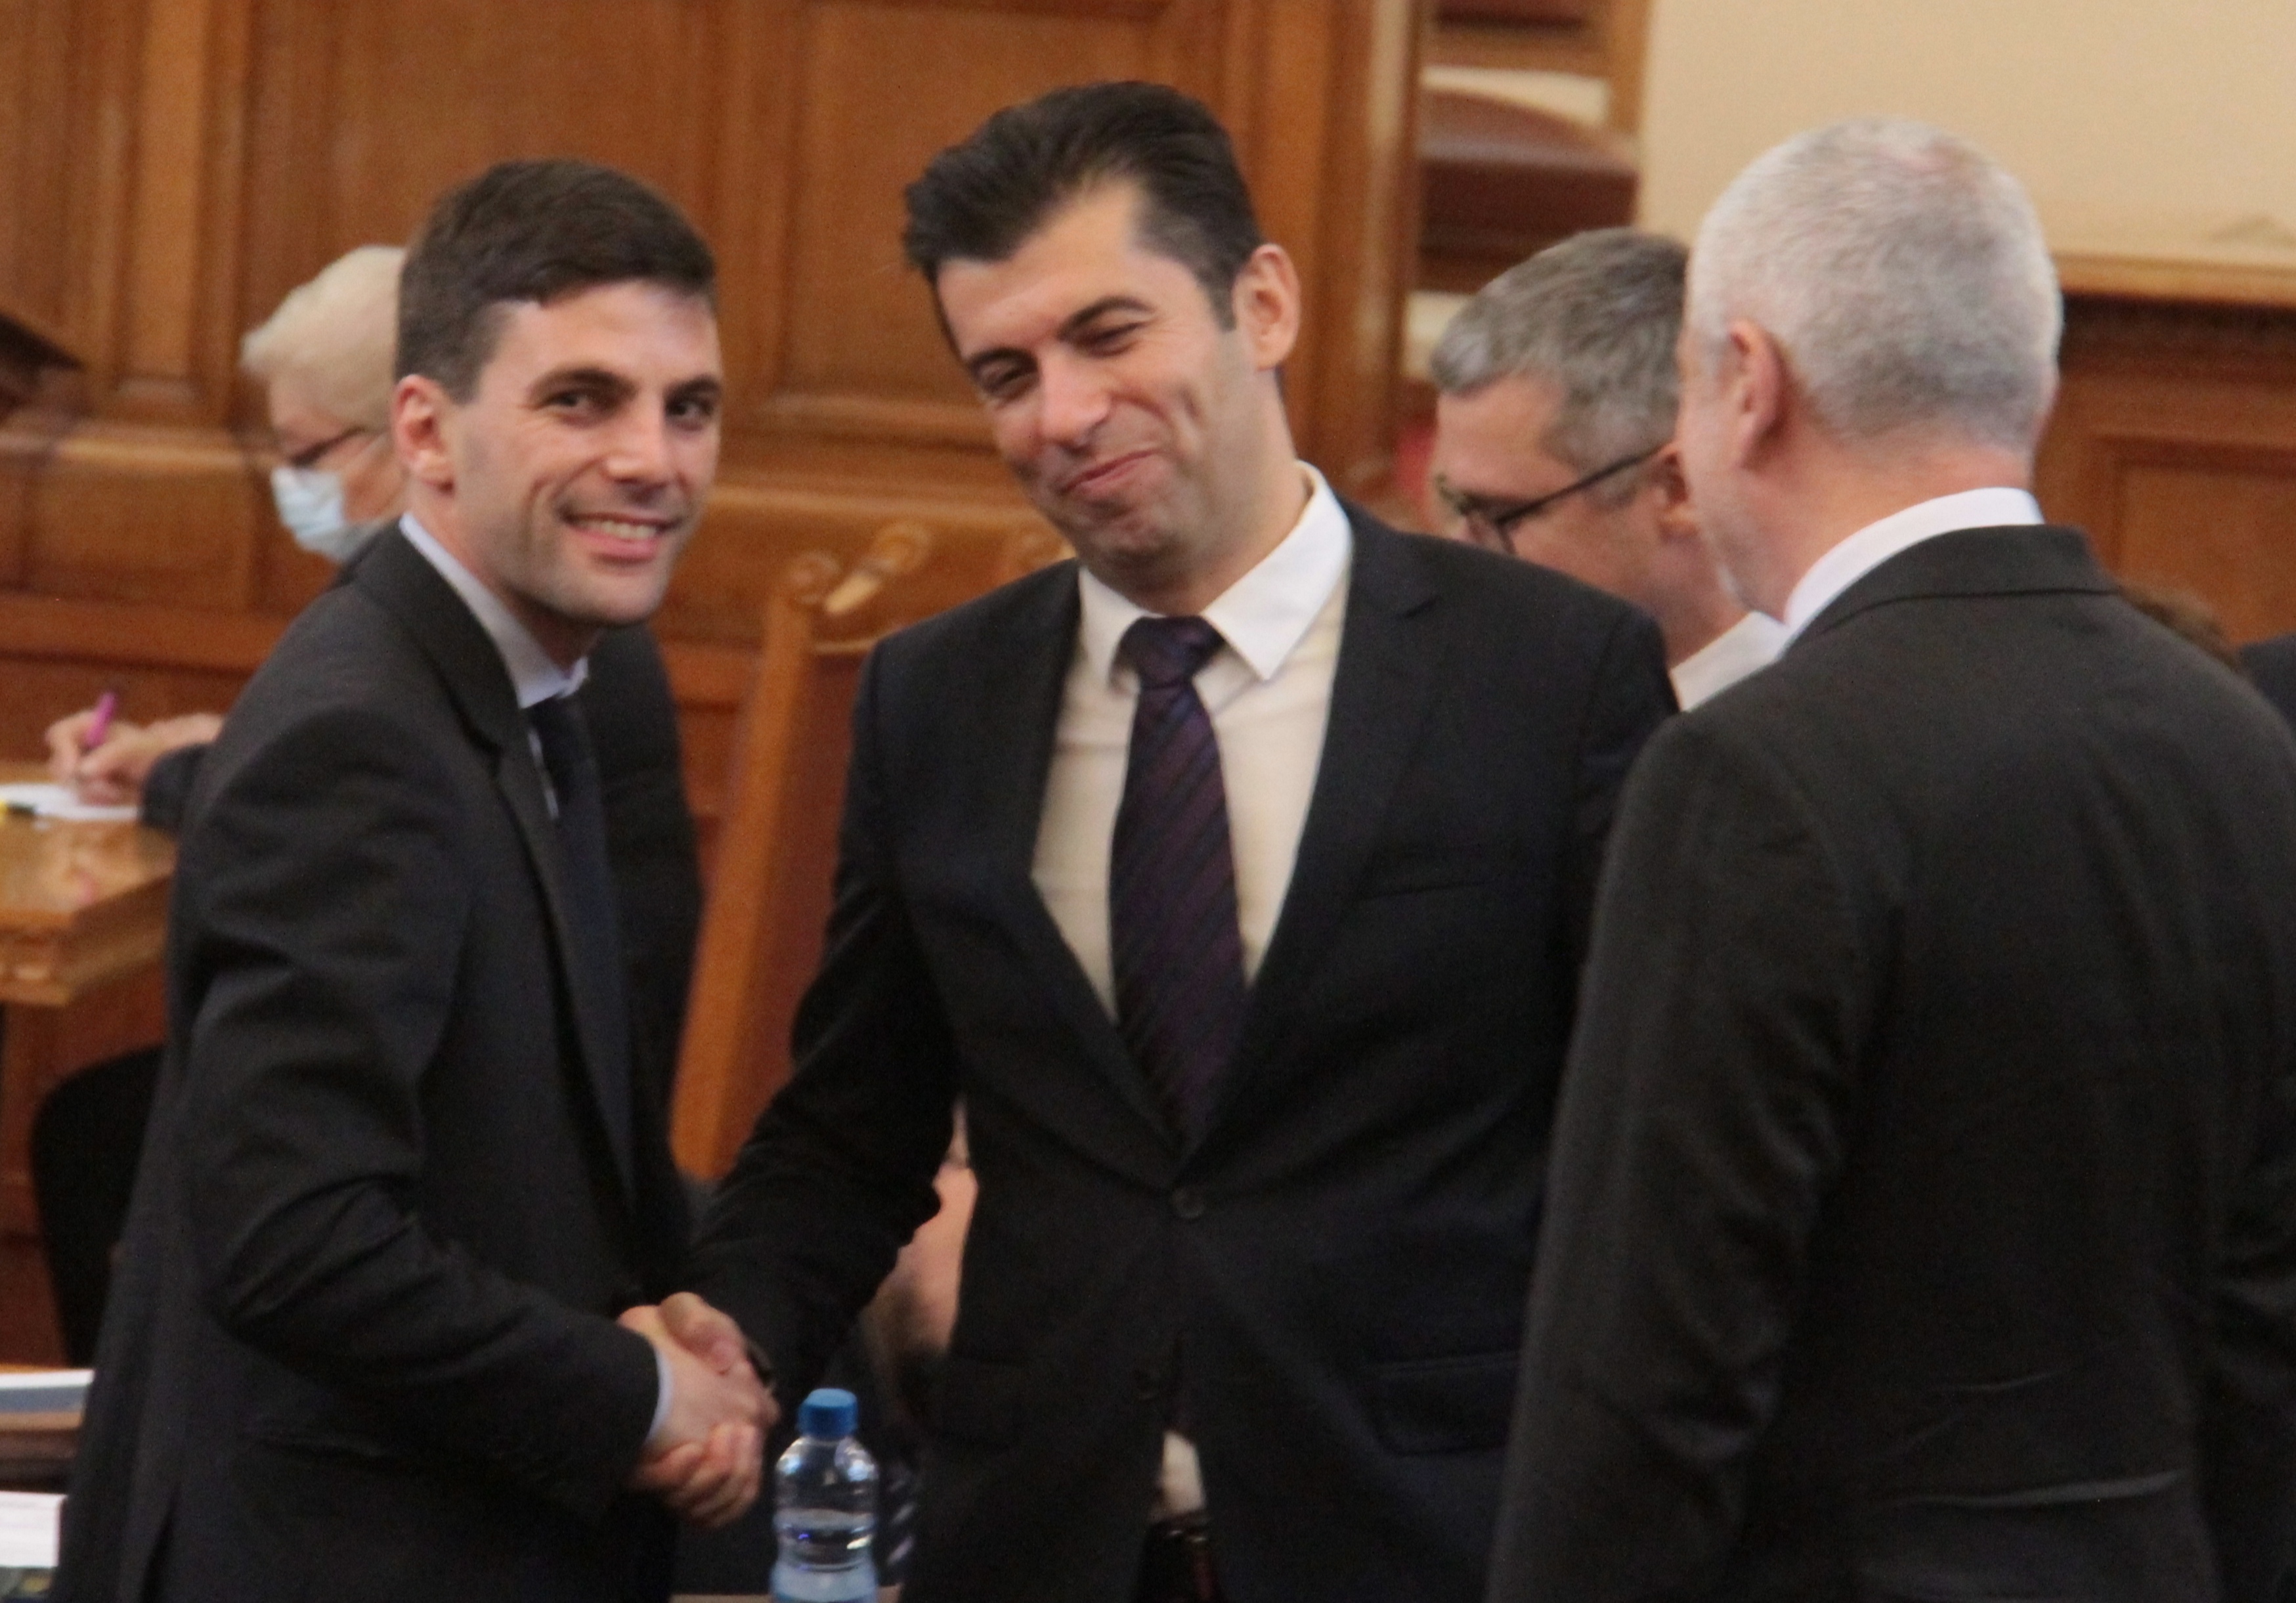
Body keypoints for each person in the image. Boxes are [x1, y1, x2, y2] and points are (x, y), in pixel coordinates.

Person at [684, 81, 1673, 1603]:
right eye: (1005, 372)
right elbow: (850, 1129)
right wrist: (724, 1337)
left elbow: (1661, 1133)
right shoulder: (933, 698)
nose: (1061, 413)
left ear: (1259, 304)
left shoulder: (1551, 673)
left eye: (1107, 334)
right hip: (1038, 1541)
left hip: (1421, 1539)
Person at [1487, 118, 2296, 1601]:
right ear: (2035, 384)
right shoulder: (2239, 743)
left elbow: (1644, 1386)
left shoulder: (1750, 773)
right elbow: (2262, 1338)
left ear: (1747, 382)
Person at [56, 160, 770, 1603]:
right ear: (427, 430)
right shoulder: (363, 734)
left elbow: (517, 1148)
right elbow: (293, 1239)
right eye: (582, 400)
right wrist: (634, 1394)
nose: (653, 459)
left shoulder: (531, 684)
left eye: (687, 407)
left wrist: (675, 1314)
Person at [30, 243, 703, 1367]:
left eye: (305, 455)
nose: (290, 488)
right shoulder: (475, 633)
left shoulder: (495, 644)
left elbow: (366, 776)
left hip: (512, 1163)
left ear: (413, 431)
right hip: (560, 1131)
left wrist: (183, 771)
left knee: (107, 1134)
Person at [1429, 228, 1781, 708]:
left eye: (1499, 516)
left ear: (1680, 489)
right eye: (1455, 505)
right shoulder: (1466, 693)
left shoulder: (1810, 728)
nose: (1461, 550)